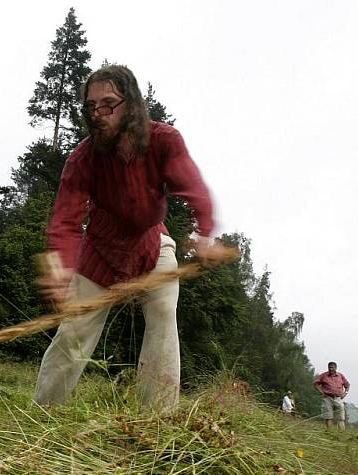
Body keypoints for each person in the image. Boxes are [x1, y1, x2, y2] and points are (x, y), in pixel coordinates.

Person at [33, 65, 229, 413]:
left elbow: (194, 188)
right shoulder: (82, 159)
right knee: (73, 333)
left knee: (164, 314)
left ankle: (157, 423)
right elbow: (64, 221)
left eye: (108, 103)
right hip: (100, 254)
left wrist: (205, 233)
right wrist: (58, 268)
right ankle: (41, 414)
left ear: (133, 104)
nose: (98, 114)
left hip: (154, 246)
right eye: (90, 106)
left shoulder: (164, 140)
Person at [313, 362, 350, 430]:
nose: (331, 369)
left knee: (341, 418)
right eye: (329, 367)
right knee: (328, 417)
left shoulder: (340, 376)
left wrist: (345, 393)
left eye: (332, 367)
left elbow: (347, 385)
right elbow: (315, 383)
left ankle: (342, 433)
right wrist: (321, 391)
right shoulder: (323, 375)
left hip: (338, 398)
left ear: (336, 368)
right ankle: (330, 433)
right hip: (327, 398)